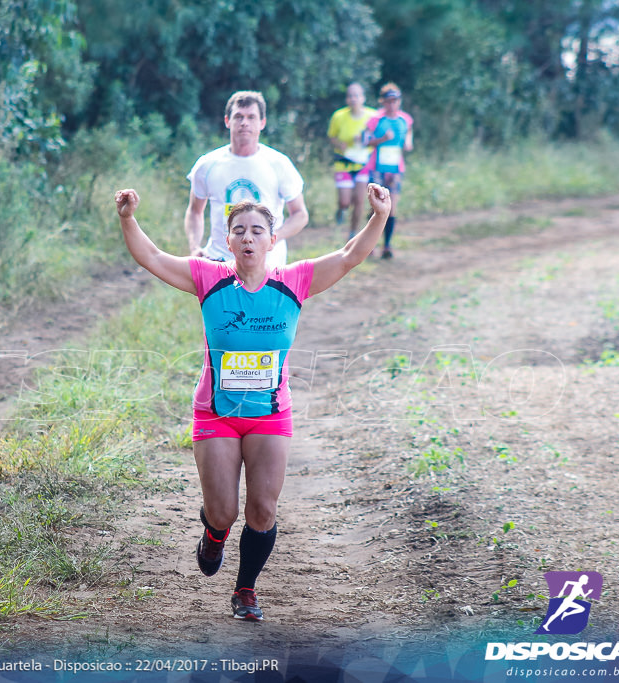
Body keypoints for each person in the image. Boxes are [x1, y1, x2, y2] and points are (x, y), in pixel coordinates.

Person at [115, 182, 392, 621]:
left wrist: (379, 215)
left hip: (270, 415)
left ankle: (245, 590)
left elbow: (348, 257)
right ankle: (215, 533)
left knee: (263, 509)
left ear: (272, 239)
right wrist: (128, 218)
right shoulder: (207, 277)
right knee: (223, 511)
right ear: (228, 241)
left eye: (257, 230)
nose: (248, 237)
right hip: (216, 415)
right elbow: (151, 258)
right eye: (239, 230)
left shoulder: (294, 281)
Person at [185, 90, 309, 269]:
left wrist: (271, 239)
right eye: (238, 117)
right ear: (227, 121)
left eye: (251, 117)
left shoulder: (279, 164)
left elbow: (300, 214)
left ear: (262, 123)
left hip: (268, 263)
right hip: (219, 261)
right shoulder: (207, 165)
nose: (244, 123)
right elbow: (195, 211)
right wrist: (195, 247)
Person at [364, 83, 413, 259]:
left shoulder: (405, 119)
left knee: (392, 208)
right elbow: (366, 141)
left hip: (396, 169)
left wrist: (408, 142)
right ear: (383, 102)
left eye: (396, 100)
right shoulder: (376, 119)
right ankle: (368, 246)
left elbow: (408, 133)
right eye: (389, 101)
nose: (392, 104)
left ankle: (387, 246)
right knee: (376, 208)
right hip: (377, 168)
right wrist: (383, 139)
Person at [326, 82, 376, 239]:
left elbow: (377, 136)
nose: (353, 99)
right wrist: (339, 143)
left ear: (363, 98)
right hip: (344, 162)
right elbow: (331, 136)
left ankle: (353, 233)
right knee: (345, 201)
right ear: (347, 99)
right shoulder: (338, 116)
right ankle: (341, 209)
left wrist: (367, 140)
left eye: (357, 95)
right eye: (350, 96)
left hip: (363, 163)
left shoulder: (373, 116)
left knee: (360, 200)